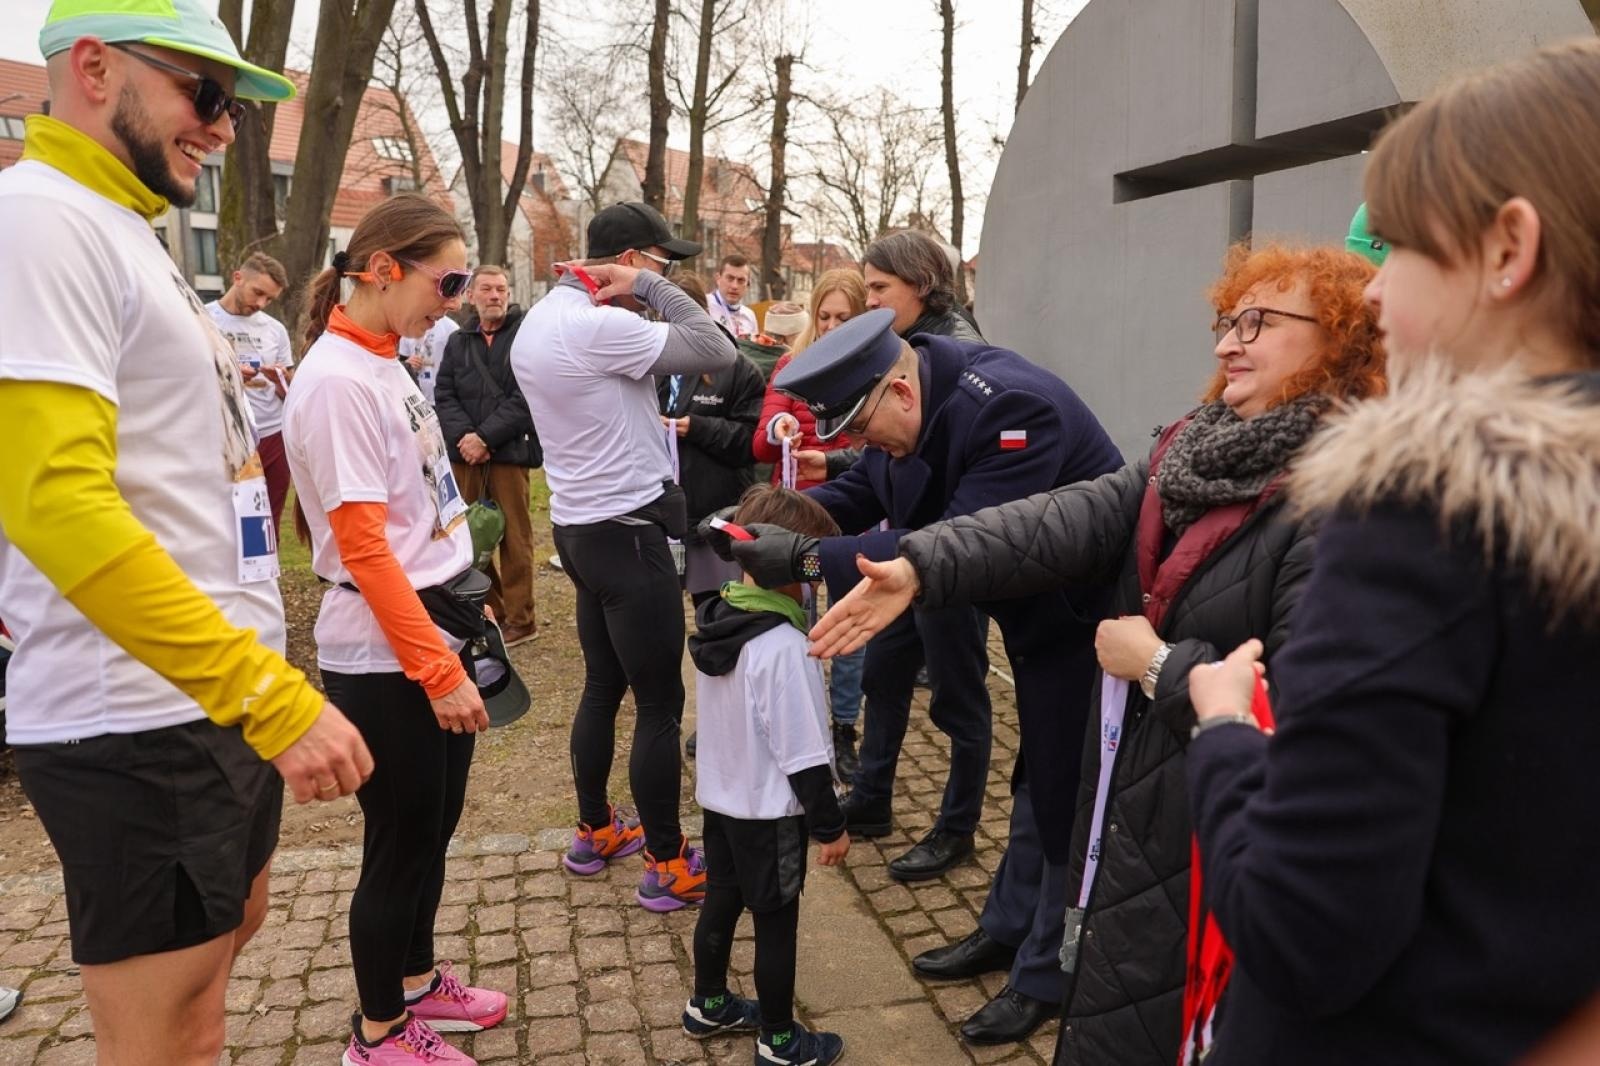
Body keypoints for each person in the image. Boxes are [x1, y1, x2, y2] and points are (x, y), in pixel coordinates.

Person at [808, 244, 1385, 1058]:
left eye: (1258, 323)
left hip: (1208, 820)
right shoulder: (1196, 444)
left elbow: (1306, 722)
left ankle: (1039, 971)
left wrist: (1153, 664)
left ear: (1344, 336)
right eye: (1227, 320)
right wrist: (920, 565)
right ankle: (1030, 951)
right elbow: (1072, 515)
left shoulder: (1350, 501)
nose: (1226, 344)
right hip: (1148, 784)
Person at [1182, 38, 1600, 1066]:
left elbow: (1302, 931)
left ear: (1508, 248)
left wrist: (1225, 737)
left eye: (1402, 250)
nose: (1371, 296)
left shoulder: (1430, 507)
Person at [0, 5, 371, 1064]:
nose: (220, 127)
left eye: (233, 105)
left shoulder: (116, 223)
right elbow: (56, 502)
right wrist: (264, 695)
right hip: (141, 715)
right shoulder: (39, 218)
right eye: (202, 95)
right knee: (163, 1029)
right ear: (92, 66)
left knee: (211, 981)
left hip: (199, 696)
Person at [716, 308, 1121, 901]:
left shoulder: (1011, 411)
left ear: (900, 391)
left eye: (858, 431)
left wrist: (804, 558)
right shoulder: (912, 392)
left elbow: (956, 540)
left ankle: (1047, 965)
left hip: (1078, 625)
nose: (856, 447)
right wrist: (760, 520)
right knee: (1040, 777)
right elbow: (864, 490)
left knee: (1061, 786)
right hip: (1028, 614)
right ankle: (1012, 928)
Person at [285, 193, 508, 1066]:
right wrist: (436, 670)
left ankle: (417, 984)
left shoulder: (386, 359)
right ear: (382, 269)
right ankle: (377, 1033)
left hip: (434, 619)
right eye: (445, 278)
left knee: (435, 820)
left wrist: (468, 595)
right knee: (402, 836)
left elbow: (422, 504)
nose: (452, 297)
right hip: (387, 653)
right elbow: (367, 549)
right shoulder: (338, 379)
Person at [511, 201, 736, 910]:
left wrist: (637, 286)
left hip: (579, 531)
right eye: (662, 263)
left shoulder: (538, 322)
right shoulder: (599, 322)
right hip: (628, 533)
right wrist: (647, 291)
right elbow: (718, 351)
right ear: (630, 260)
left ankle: (596, 829)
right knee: (661, 705)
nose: (668, 275)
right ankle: (669, 864)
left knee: (603, 687)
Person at [682, 484, 847, 1066]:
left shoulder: (719, 619)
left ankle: (708, 1003)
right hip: (771, 813)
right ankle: (778, 1040)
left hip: (721, 800)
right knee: (777, 923)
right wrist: (830, 827)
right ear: (788, 566)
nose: (816, 582)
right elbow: (803, 755)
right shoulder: (783, 647)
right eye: (812, 566)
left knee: (721, 901)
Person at [750, 269, 869, 778]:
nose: (831, 325)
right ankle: (789, 720)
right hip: (793, 515)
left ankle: (843, 727)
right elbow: (760, 442)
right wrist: (782, 427)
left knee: (844, 628)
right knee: (788, 619)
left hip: (846, 517)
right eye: (824, 315)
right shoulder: (790, 364)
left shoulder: (872, 370)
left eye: (843, 317)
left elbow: (872, 448)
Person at [433, 265, 540, 647]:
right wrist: (466, 438)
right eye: (487, 289)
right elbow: (444, 394)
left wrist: (485, 438)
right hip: (465, 457)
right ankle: (488, 611)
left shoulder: (526, 338)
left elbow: (527, 396)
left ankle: (520, 618)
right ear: (472, 296)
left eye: (501, 289)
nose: (495, 296)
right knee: (471, 537)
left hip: (508, 453)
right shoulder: (458, 341)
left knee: (515, 539)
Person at [206, 251, 295, 536]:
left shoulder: (275, 330)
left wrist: (280, 376)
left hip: (272, 433)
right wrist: (229, 375)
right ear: (237, 277)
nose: (260, 304)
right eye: (258, 293)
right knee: (225, 519)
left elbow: (290, 390)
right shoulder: (203, 318)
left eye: (269, 299)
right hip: (225, 434)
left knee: (269, 519)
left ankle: (266, 578)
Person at [863, 230, 983, 342]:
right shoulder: (917, 340)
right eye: (868, 289)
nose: (869, 302)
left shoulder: (959, 354)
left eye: (880, 287)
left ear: (923, 285)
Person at [399, 310, 460, 405]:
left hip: (442, 400)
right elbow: (401, 362)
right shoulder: (407, 327)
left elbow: (461, 366)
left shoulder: (451, 328)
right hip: (415, 399)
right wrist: (408, 365)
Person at [708, 253, 758, 339]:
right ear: (718, 279)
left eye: (741, 280)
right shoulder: (704, 305)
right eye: (730, 278)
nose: (734, 286)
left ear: (748, 284)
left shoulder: (749, 316)